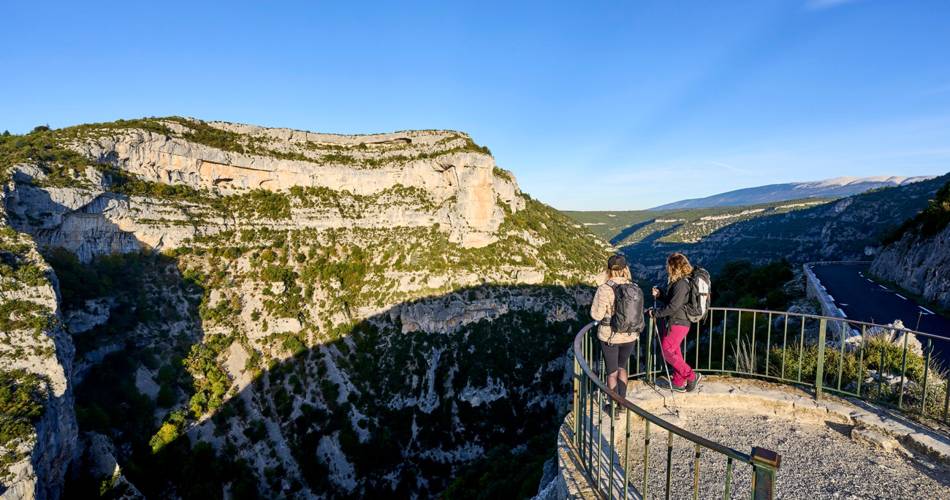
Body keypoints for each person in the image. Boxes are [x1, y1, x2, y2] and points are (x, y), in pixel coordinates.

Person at [590, 254, 644, 414]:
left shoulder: (604, 289)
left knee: (611, 372)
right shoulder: (633, 286)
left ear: (609, 270)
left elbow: (596, 315)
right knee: (622, 368)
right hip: (630, 336)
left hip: (610, 336)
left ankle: (613, 406)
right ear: (625, 269)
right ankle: (623, 403)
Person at [650, 252, 703, 393]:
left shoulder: (681, 284)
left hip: (679, 322)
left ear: (674, 267)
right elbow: (674, 302)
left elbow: (673, 307)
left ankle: (691, 375)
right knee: (674, 351)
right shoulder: (682, 282)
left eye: (668, 266)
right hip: (679, 321)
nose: (667, 268)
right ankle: (678, 381)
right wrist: (661, 295)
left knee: (666, 350)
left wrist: (655, 313)